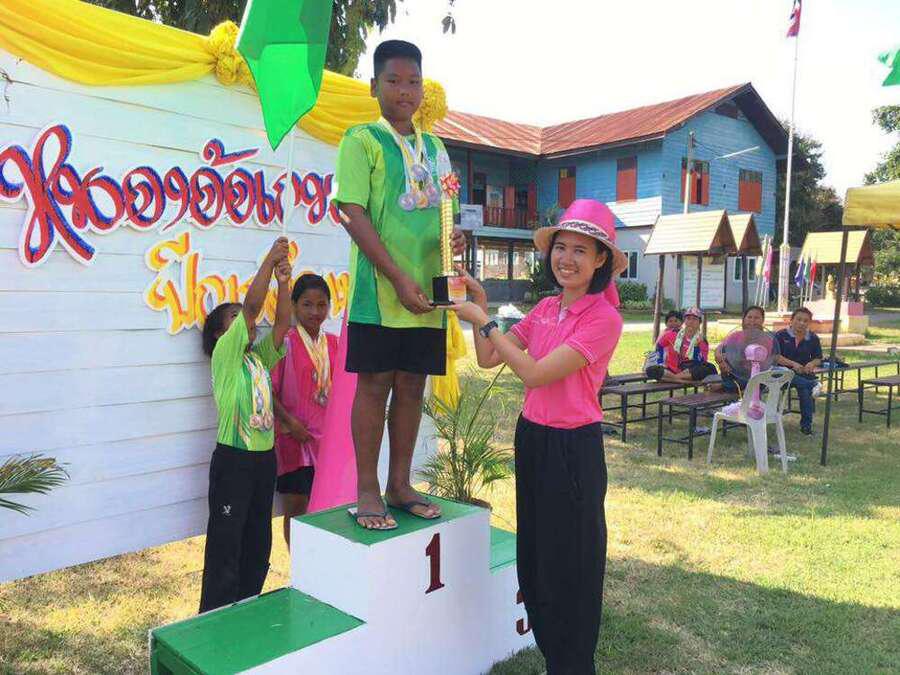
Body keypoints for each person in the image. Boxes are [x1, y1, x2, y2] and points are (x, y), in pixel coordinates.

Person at [449, 199, 624, 675]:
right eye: (561, 248)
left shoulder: (603, 319)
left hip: (574, 449)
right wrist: (482, 306)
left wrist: (483, 321)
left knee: (573, 567)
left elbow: (534, 374)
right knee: (536, 563)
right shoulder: (546, 308)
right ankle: (556, 661)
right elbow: (489, 358)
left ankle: (574, 665)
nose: (566, 259)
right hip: (533, 440)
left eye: (581, 251)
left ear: (600, 259)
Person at [335, 39, 465, 529]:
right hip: (380, 293)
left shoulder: (437, 148)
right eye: (393, 80)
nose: (404, 90)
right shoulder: (361, 140)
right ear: (374, 86)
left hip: (429, 294)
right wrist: (397, 276)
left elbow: (446, 210)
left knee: (412, 386)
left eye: (413, 82)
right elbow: (351, 213)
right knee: (375, 386)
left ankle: (400, 484)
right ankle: (367, 489)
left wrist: (454, 235)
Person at [198, 237, 293, 613]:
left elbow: (282, 324)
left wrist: (284, 283)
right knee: (226, 543)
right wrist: (269, 261)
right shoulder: (225, 356)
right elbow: (253, 308)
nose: (248, 322)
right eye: (236, 319)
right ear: (220, 335)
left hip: (264, 461)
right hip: (234, 461)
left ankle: (248, 606)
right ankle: (215, 615)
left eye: (245, 319)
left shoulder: (259, 358)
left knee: (258, 542)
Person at [271, 274, 338, 547]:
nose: (315, 312)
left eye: (321, 305)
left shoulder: (335, 343)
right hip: (294, 440)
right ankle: (298, 564)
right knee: (297, 509)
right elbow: (266, 390)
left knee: (326, 508)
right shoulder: (285, 343)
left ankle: (319, 561)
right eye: (307, 304)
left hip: (326, 442)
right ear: (294, 306)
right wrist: (289, 422)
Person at [775, 307, 822, 435]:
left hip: (802, 373)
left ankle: (806, 426)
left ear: (809, 323)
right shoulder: (780, 335)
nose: (802, 323)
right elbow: (775, 356)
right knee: (805, 384)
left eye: (806, 321)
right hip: (782, 373)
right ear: (791, 320)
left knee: (805, 390)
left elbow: (818, 358)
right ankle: (814, 384)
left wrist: (811, 363)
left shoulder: (813, 338)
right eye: (799, 319)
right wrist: (792, 364)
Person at [646, 307, 717, 383]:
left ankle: (672, 378)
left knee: (710, 368)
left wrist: (696, 346)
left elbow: (701, 362)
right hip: (671, 369)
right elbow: (659, 346)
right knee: (650, 370)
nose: (691, 322)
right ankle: (680, 380)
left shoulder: (702, 340)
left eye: (694, 319)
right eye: (688, 319)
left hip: (689, 370)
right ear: (684, 321)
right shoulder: (672, 334)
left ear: (699, 322)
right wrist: (660, 361)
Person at [714, 305, 767, 394]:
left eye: (756, 318)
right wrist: (720, 359)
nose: (752, 320)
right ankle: (731, 386)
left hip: (755, 374)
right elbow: (720, 347)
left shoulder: (766, 339)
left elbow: (768, 362)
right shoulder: (736, 335)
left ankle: (725, 386)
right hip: (733, 374)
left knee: (757, 382)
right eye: (749, 317)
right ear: (744, 319)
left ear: (762, 320)